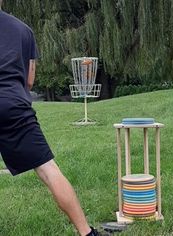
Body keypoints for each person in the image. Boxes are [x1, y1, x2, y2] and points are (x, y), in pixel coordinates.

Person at [0, 2, 105, 235]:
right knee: (48, 169)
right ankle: (86, 232)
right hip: (14, 107)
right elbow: (29, 80)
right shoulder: (22, 30)